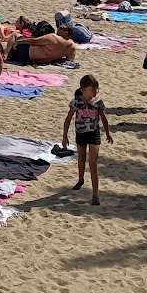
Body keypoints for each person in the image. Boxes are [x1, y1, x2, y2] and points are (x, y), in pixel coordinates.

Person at [63, 73, 112, 205]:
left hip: (94, 133)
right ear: (84, 89)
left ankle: (95, 194)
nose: (95, 91)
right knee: (81, 159)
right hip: (81, 133)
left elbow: (104, 118)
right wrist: (64, 136)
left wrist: (107, 133)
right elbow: (68, 120)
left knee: (93, 163)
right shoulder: (76, 102)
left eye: (96, 88)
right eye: (92, 88)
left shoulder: (98, 103)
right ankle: (81, 179)